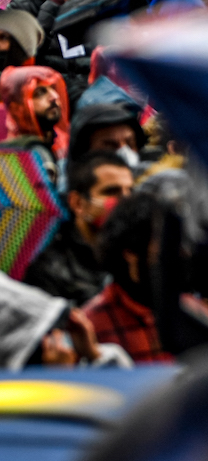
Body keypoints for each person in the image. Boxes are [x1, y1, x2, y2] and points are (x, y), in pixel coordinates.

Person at [25, 152, 133, 306]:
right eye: (111, 192)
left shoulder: (136, 253)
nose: (126, 200)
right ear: (78, 203)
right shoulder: (49, 271)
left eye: (130, 191)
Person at [82, 190, 173, 363]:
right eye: (160, 244)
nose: (175, 253)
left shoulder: (190, 313)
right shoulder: (91, 327)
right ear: (131, 252)